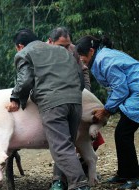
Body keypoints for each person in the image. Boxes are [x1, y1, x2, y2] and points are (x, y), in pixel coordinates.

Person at [6, 28, 90, 190]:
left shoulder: (24, 53)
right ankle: (62, 182)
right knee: (68, 146)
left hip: (53, 103)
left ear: (19, 46)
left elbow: (24, 81)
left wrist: (16, 98)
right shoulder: (63, 51)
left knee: (61, 148)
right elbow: (80, 79)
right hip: (75, 101)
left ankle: (80, 185)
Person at [76, 35, 139, 190]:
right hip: (133, 93)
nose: (82, 60)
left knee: (123, 133)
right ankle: (124, 174)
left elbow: (121, 89)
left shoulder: (105, 60)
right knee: (122, 133)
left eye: (82, 56)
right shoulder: (103, 57)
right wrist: (108, 109)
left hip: (136, 93)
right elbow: (116, 88)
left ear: (91, 51)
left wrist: (106, 110)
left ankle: (133, 177)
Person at [47, 27, 105, 190]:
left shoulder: (73, 53)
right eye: (61, 46)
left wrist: (82, 95)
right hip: (54, 101)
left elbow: (83, 78)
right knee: (65, 142)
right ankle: (64, 179)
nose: (65, 50)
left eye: (68, 46)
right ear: (50, 42)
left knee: (68, 142)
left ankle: (73, 180)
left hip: (74, 101)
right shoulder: (41, 53)